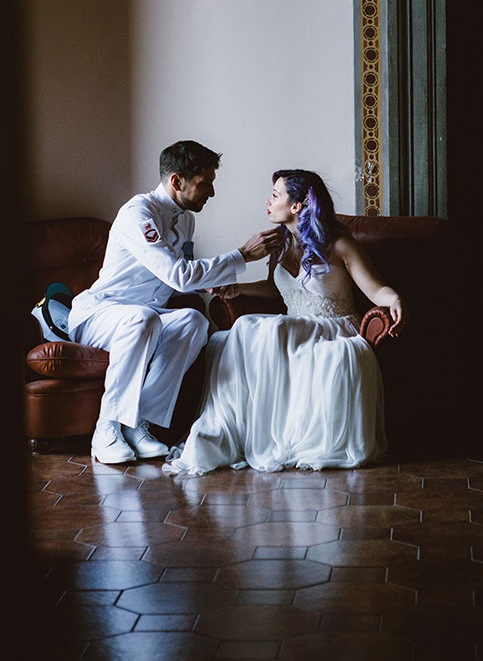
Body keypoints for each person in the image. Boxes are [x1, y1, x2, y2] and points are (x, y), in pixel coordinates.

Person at [165, 169, 407, 476]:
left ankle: (265, 440)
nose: (268, 200)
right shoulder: (278, 245)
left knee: (260, 329)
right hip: (295, 329)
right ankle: (225, 436)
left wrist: (394, 299)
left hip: (331, 330)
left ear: (297, 206)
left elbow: (374, 288)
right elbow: (279, 291)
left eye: (276, 195)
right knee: (228, 337)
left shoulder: (340, 243)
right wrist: (240, 289)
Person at [68, 140, 282, 464]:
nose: (211, 192)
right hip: (98, 314)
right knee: (141, 318)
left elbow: (182, 273)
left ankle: (139, 423)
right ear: (177, 182)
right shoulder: (137, 213)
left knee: (193, 321)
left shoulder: (186, 220)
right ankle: (106, 429)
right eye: (205, 183)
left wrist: (215, 283)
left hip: (147, 316)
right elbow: (179, 276)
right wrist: (242, 255)